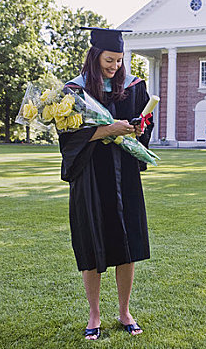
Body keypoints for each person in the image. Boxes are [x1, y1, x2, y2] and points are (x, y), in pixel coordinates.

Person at [58, 27, 154, 340]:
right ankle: (94, 314)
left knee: (126, 245)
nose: (114, 66)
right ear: (95, 55)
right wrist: (109, 129)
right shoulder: (74, 90)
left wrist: (138, 129)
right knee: (92, 242)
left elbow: (144, 125)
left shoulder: (135, 86)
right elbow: (69, 137)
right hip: (90, 176)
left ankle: (125, 311)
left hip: (123, 174)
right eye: (109, 60)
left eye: (119, 60)